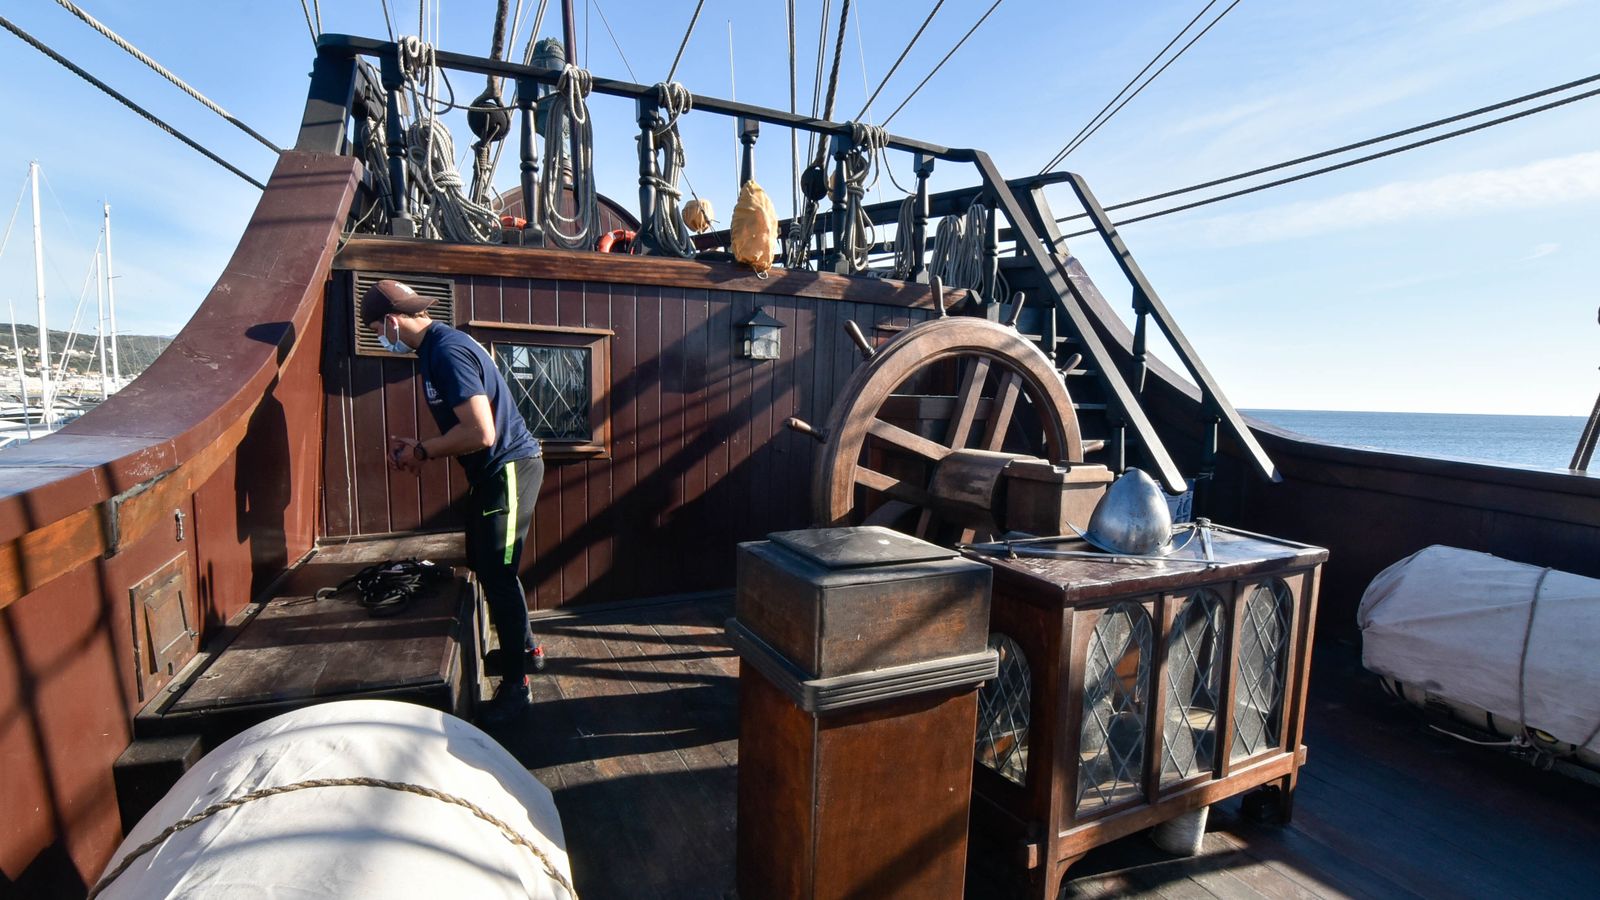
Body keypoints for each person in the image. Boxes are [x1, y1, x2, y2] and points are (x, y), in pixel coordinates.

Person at [361, 279, 545, 724]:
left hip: (508, 469)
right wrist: (422, 448)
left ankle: (517, 686)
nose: (380, 338)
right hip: (491, 473)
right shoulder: (436, 348)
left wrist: (423, 451)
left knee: (498, 573)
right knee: (486, 563)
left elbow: (481, 432)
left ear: (392, 321)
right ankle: (526, 650)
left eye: (376, 330)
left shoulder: (446, 351)